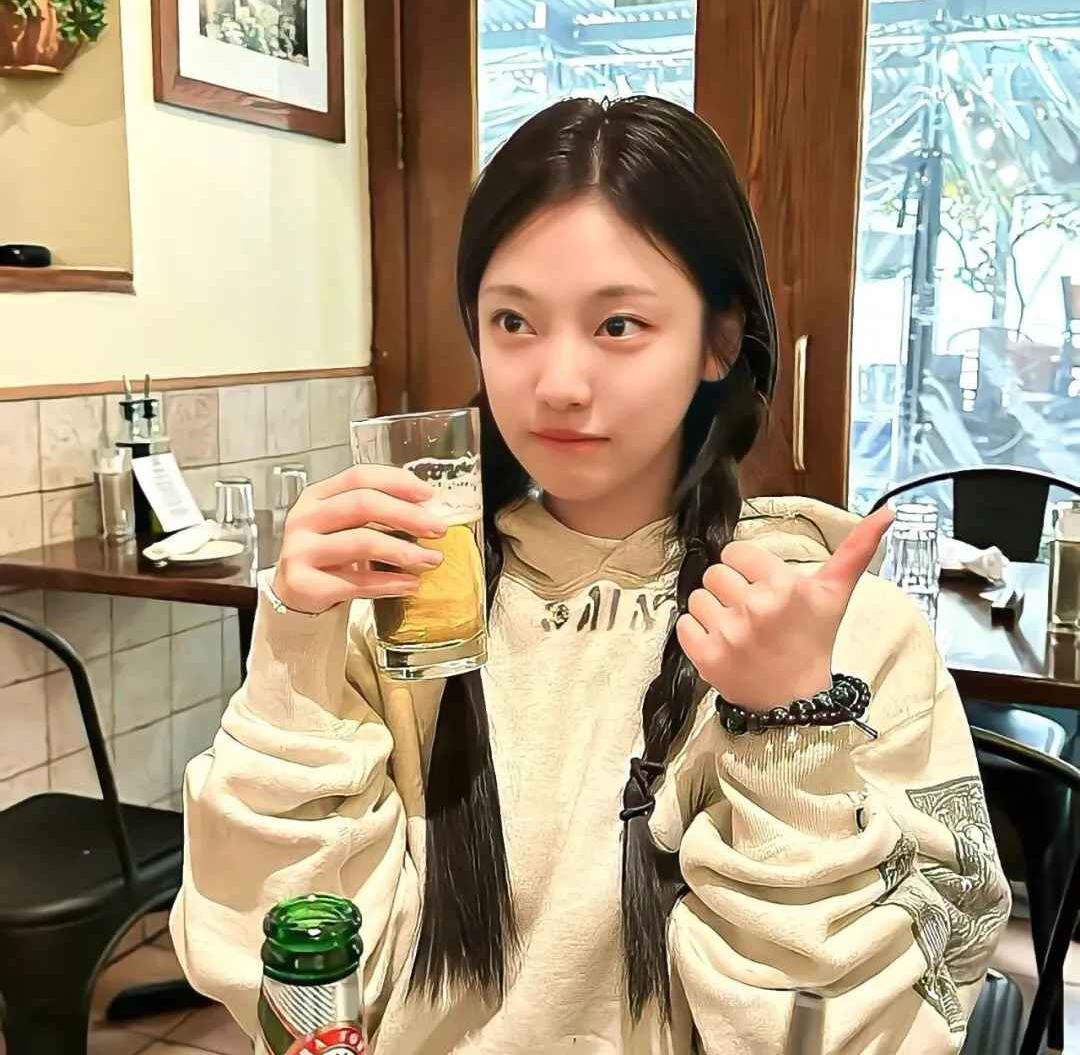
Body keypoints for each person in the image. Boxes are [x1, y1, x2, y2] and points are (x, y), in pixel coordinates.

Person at [171, 96, 1010, 1054]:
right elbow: (272, 967)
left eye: (618, 324)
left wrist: (791, 728)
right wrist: (294, 644)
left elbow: (873, 1032)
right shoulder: (405, 609)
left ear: (719, 340)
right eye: (513, 321)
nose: (558, 383)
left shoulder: (847, 634)